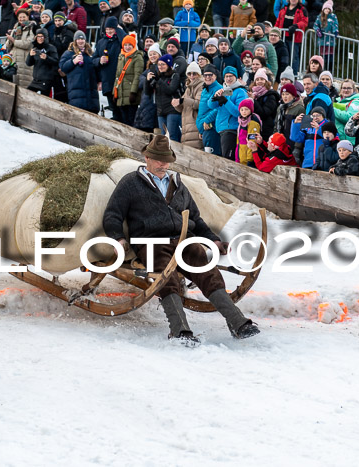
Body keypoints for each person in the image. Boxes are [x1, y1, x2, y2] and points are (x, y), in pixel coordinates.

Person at [102, 134, 260, 344]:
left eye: (166, 160)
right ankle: (179, 329)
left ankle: (237, 322)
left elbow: (195, 218)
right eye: (158, 159)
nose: (163, 164)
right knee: (166, 275)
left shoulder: (178, 184)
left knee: (206, 269)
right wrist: (118, 239)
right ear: (147, 158)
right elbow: (113, 214)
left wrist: (213, 240)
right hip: (152, 242)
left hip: (183, 240)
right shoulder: (131, 183)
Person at [207, 66, 249, 160]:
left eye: (231, 76)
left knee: (228, 159)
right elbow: (210, 105)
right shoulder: (223, 90)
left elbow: (238, 112)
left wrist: (226, 101)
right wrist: (215, 96)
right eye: (226, 76)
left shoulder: (240, 91)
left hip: (231, 131)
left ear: (236, 77)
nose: (228, 79)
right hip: (220, 130)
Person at [94, 16, 126, 121]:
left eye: (111, 29)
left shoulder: (120, 39)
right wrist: (99, 60)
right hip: (107, 79)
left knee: (122, 108)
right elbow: (93, 60)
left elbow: (126, 42)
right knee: (113, 107)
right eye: (107, 29)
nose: (109, 31)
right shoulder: (101, 42)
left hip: (120, 79)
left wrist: (119, 30)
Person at [60, 31, 100, 113]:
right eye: (78, 39)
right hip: (76, 94)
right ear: (75, 40)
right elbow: (63, 67)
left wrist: (100, 81)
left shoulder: (90, 54)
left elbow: (96, 70)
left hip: (92, 94)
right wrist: (73, 61)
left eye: (82, 39)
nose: (80, 41)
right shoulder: (69, 53)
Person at [146, 54, 182, 141]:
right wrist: (147, 81)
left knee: (172, 136)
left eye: (163, 64)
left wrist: (159, 80)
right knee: (163, 137)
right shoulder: (158, 77)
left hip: (172, 110)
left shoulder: (174, 76)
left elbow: (170, 90)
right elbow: (147, 92)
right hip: (160, 110)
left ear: (169, 65)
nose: (160, 67)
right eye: (159, 64)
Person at [114, 34, 145, 126]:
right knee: (123, 120)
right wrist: (114, 92)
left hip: (131, 93)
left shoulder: (137, 57)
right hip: (121, 93)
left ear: (133, 46)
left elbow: (137, 76)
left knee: (131, 119)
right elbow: (117, 76)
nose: (127, 47)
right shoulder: (121, 56)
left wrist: (133, 92)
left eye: (129, 45)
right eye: (125, 45)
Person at [173, 61, 203, 149]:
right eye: (189, 74)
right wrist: (177, 104)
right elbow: (181, 108)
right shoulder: (188, 88)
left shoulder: (201, 86)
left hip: (195, 124)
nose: (192, 76)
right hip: (187, 125)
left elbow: (198, 104)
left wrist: (183, 100)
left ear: (199, 74)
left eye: (194, 74)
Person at [134, 42, 161, 133]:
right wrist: (147, 79)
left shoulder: (160, 67)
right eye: (150, 54)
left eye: (154, 54)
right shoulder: (149, 68)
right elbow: (140, 80)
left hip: (153, 101)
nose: (152, 56)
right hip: (146, 101)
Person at [6, 6, 36, 86]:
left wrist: (14, 41)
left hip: (24, 60)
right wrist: (9, 40)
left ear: (28, 17)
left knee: (24, 85)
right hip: (13, 59)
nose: (22, 19)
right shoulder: (16, 28)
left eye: (24, 17)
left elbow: (28, 44)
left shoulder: (32, 28)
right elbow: (8, 46)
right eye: (20, 17)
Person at [197, 64, 223, 156]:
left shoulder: (218, 89)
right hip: (204, 128)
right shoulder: (205, 89)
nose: (207, 77)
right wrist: (200, 129)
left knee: (211, 156)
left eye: (210, 75)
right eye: (205, 75)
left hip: (211, 127)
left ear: (215, 75)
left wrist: (207, 120)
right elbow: (202, 110)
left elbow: (219, 108)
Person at [275, 0, 308, 71]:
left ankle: (294, 75)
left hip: (294, 38)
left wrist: (296, 26)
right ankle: (282, 74)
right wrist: (275, 31)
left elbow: (305, 22)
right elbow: (278, 21)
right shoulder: (283, 9)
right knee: (282, 56)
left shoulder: (302, 9)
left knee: (294, 58)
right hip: (282, 37)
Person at [26, 28, 60, 95]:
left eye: (42, 36)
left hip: (46, 81)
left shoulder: (51, 48)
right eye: (38, 36)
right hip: (35, 80)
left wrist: (46, 58)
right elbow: (28, 63)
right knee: (27, 94)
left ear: (45, 37)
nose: (40, 38)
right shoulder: (35, 48)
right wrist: (30, 55)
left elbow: (56, 62)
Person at [275, 82, 304, 155]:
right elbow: (276, 125)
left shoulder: (299, 108)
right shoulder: (280, 108)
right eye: (283, 94)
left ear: (293, 95)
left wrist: (297, 148)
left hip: (292, 143)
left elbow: (301, 129)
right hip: (281, 142)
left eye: (287, 94)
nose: (285, 97)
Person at [250, 68, 279, 138]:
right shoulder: (254, 94)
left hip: (266, 130)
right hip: (254, 128)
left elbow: (264, 113)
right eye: (257, 79)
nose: (259, 81)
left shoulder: (271, 95)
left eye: (262, 79)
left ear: (266, 81)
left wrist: (254, 101)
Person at [333, 79, 359, 145]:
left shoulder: (356, 102)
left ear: (354, 90)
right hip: (338, 140)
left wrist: (333, 109)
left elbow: (349, 118)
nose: (346, 90)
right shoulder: (337, 101)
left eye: (349, 88)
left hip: (350, 142)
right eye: (344, 88)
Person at [235, 98, 262, 165]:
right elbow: (238, 140)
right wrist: (237, 156)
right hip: (241, 153)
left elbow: (252, 140)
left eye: (246, 109)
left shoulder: (252, 123)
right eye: (242, 110)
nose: (244, 112)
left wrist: (250, 158)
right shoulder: (241, 122)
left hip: (248, 156)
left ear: (251, 110)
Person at [313, 0, 338, 71]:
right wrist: (318, 31)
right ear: (323, 9)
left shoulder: (333, 17)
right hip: (322, 41)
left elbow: (335, 24)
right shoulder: (320, 17)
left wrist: (335, 31)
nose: (327, 10)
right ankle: (322, 70)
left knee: (330, 57)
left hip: (331, 41)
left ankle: (329, 71)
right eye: (326, 8)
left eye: (328, 9)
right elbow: (315, 25)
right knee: (323, 57)